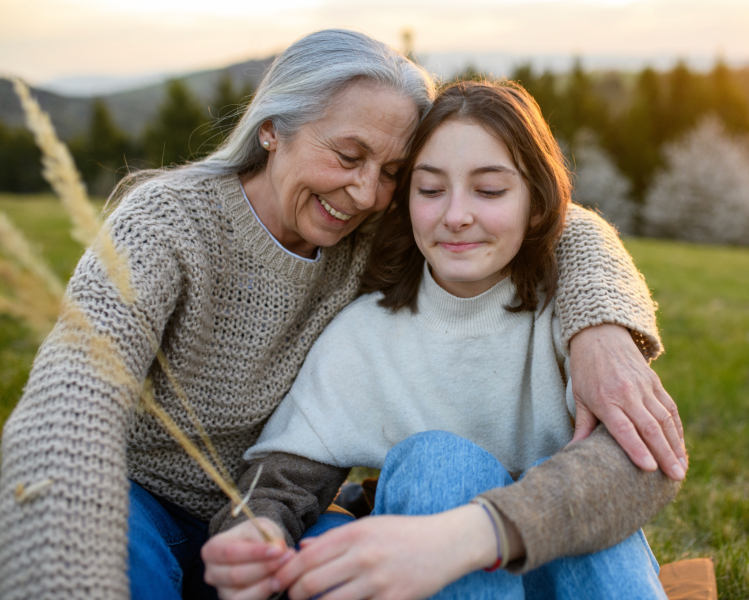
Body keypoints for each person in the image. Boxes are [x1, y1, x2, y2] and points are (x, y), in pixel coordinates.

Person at [0, 30, 683, 600]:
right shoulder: (167, 224)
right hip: (137, 497)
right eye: (347, 156)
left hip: (288, 519)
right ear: (271, 128)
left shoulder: (377, 231)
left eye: (390, 172)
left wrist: (601, 327)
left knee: (358, 562)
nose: (362, 193)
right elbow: (72, 403)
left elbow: (551, 220)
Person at [203, 81, 681, 600]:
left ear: (537, 205)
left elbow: (645, 463)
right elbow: (280, 481)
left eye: (490, 190)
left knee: (577, 495)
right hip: (439, 576)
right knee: (438, 461)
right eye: (431, 190)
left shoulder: (581, 315)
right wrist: (257, 531)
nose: (456, 215)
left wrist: (473, 534)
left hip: (566, 572)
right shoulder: (366, 335)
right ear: (405, 202)